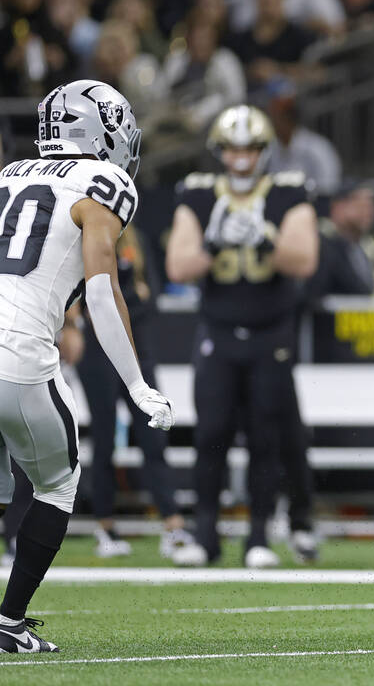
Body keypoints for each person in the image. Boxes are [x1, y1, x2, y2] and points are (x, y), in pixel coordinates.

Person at [0, 79, 173, 653]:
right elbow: (102, 292)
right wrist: (138, 385)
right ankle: (8, 622)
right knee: (57, 482)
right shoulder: (105, 183)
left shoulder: (10, 175)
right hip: (19, 355)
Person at [164, 104, 319, 567]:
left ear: (264, 151)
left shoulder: (290, 193)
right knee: (211, 432)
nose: (241, 157)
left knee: (265, 437)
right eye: (232, 148)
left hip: (271, 332)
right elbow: (179, 266)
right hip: (218, 329)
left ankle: (257, 537)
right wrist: (214, 242)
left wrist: (265, 240)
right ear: (219, 151)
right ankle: (206, 535)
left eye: (249, 147)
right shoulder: (197, 195)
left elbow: (304, 261)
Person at [77, 225, 194, 560]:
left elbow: (150, 297)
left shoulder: (135, 240)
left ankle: (172, 525)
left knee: (153, 438)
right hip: (98, 353)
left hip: (138, 351)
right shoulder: (87, 239)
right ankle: (106, 526)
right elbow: (87, 299)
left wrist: (121, 313)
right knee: (104, 438)